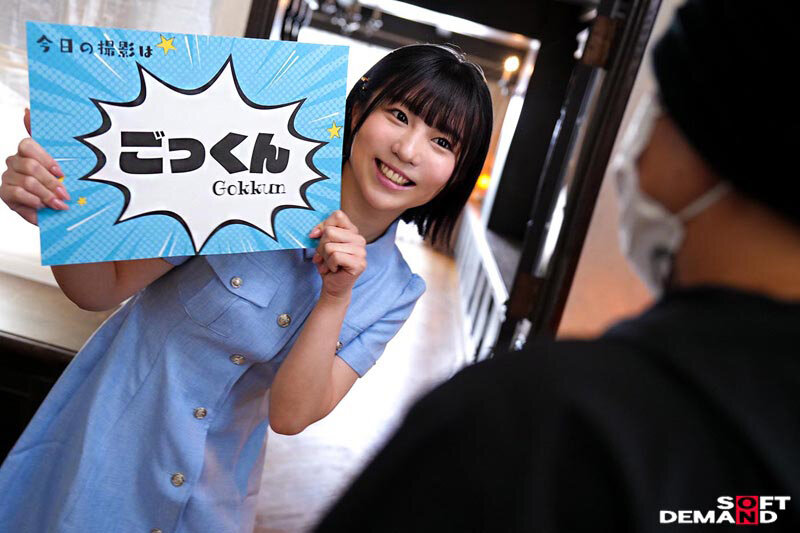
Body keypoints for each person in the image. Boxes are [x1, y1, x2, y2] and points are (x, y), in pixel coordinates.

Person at [315, 2, 800, 531]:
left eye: (656, 106)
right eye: (399, 115)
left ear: (706, 144)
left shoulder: (529, 424)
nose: (408, 149)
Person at [0, 44, 493, 532]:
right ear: (358, 109)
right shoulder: (245, 175)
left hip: (211, 502)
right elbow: (100, 290)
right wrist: (57, 208)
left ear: (458, 173)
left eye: (442, 142)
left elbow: (290, 415)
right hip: (100, 463)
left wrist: (335, 298)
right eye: (399, 115)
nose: (408, 150)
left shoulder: (398, 291)